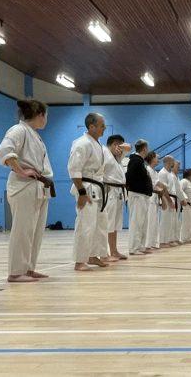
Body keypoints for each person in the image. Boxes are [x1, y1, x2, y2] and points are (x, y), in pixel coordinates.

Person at [0, 99, 54, 282]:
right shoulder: (18, 130)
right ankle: (15, 272)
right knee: (22, 230)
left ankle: (28, 268)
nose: (46, 120)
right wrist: (21, 170)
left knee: (35, 232)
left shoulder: (34, 134)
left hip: (39, 187)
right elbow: (5, 151)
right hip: (24, 186)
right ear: (39, 115)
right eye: (45, 116)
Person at [67, 112, 106, 271]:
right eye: (102, 126)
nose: (104, 128)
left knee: (98, 224)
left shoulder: (96, 144)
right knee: (85, 224)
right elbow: (74, 169)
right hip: (86, 187)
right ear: (92, 126)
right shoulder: (82, 143)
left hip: (97, 187)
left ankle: (92, 255)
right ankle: (79, 260)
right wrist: (81, 192)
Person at [100, 135, 130, 262]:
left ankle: (114, 250)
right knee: (108, 223)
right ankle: (103, 253)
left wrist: (123, 147)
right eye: (118, 146)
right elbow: (99, 171)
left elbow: (129, 147)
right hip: (109, 190)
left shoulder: (116, 157)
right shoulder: (104, 152)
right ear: (112, 144)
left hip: (118, 191)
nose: (120, 150)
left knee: (115, 224)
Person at [125, 139, 153, 255]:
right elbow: (129, 177)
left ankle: (140, 246)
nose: (148, 150)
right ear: (144, 148)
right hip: (137, 195)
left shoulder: (140, 161)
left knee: (142, 222)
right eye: (147, 148)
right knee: (136, 222)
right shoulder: (135, 160)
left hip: (142, 195)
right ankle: (133, 248)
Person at [144, 151, 165, 252]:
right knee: (149, 221)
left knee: (154, 222)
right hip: (149, 197)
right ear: (152, 158)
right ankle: (147, 244)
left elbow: (157, 184)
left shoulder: (155, 172)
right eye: (157, 158)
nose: (159, 160)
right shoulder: (147, 169)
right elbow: (152, 185)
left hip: (155, 197)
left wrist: (164, 189)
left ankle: (152, 243)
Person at [158, 156, 179, 247]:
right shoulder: (162, 173)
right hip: (166, 197)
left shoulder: (169, 173)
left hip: (172, 197)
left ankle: (169, 240)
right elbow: (162, 188)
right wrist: (169, 200)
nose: (174, 163)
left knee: (170, 221)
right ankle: (163, 242)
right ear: (167, 162)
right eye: (172, 161)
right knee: (165, 220)